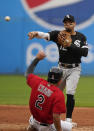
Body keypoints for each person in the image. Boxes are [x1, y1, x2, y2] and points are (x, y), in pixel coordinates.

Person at [28, 14, 88, 125]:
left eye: (70, 22)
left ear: (74, 24)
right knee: (51, 92)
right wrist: (35, 33)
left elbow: (85, 53)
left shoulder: (81, 37)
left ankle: (68, 120)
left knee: (70, 92)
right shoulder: (58, 34)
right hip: (61, 68)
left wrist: (69, 45)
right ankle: (40, 115)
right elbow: (45, 35)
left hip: (75, 68)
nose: (67, 24)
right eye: (65, 22)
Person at [25, 51, 73, 131]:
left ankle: (33, 126)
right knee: (70, 128)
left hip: (34, 119)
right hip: (46, 127)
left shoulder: (38, 82)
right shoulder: (58, 94)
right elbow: (55, 116)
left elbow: (27, 73)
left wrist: (37, 59)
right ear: (60, 80)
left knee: (68, 125)